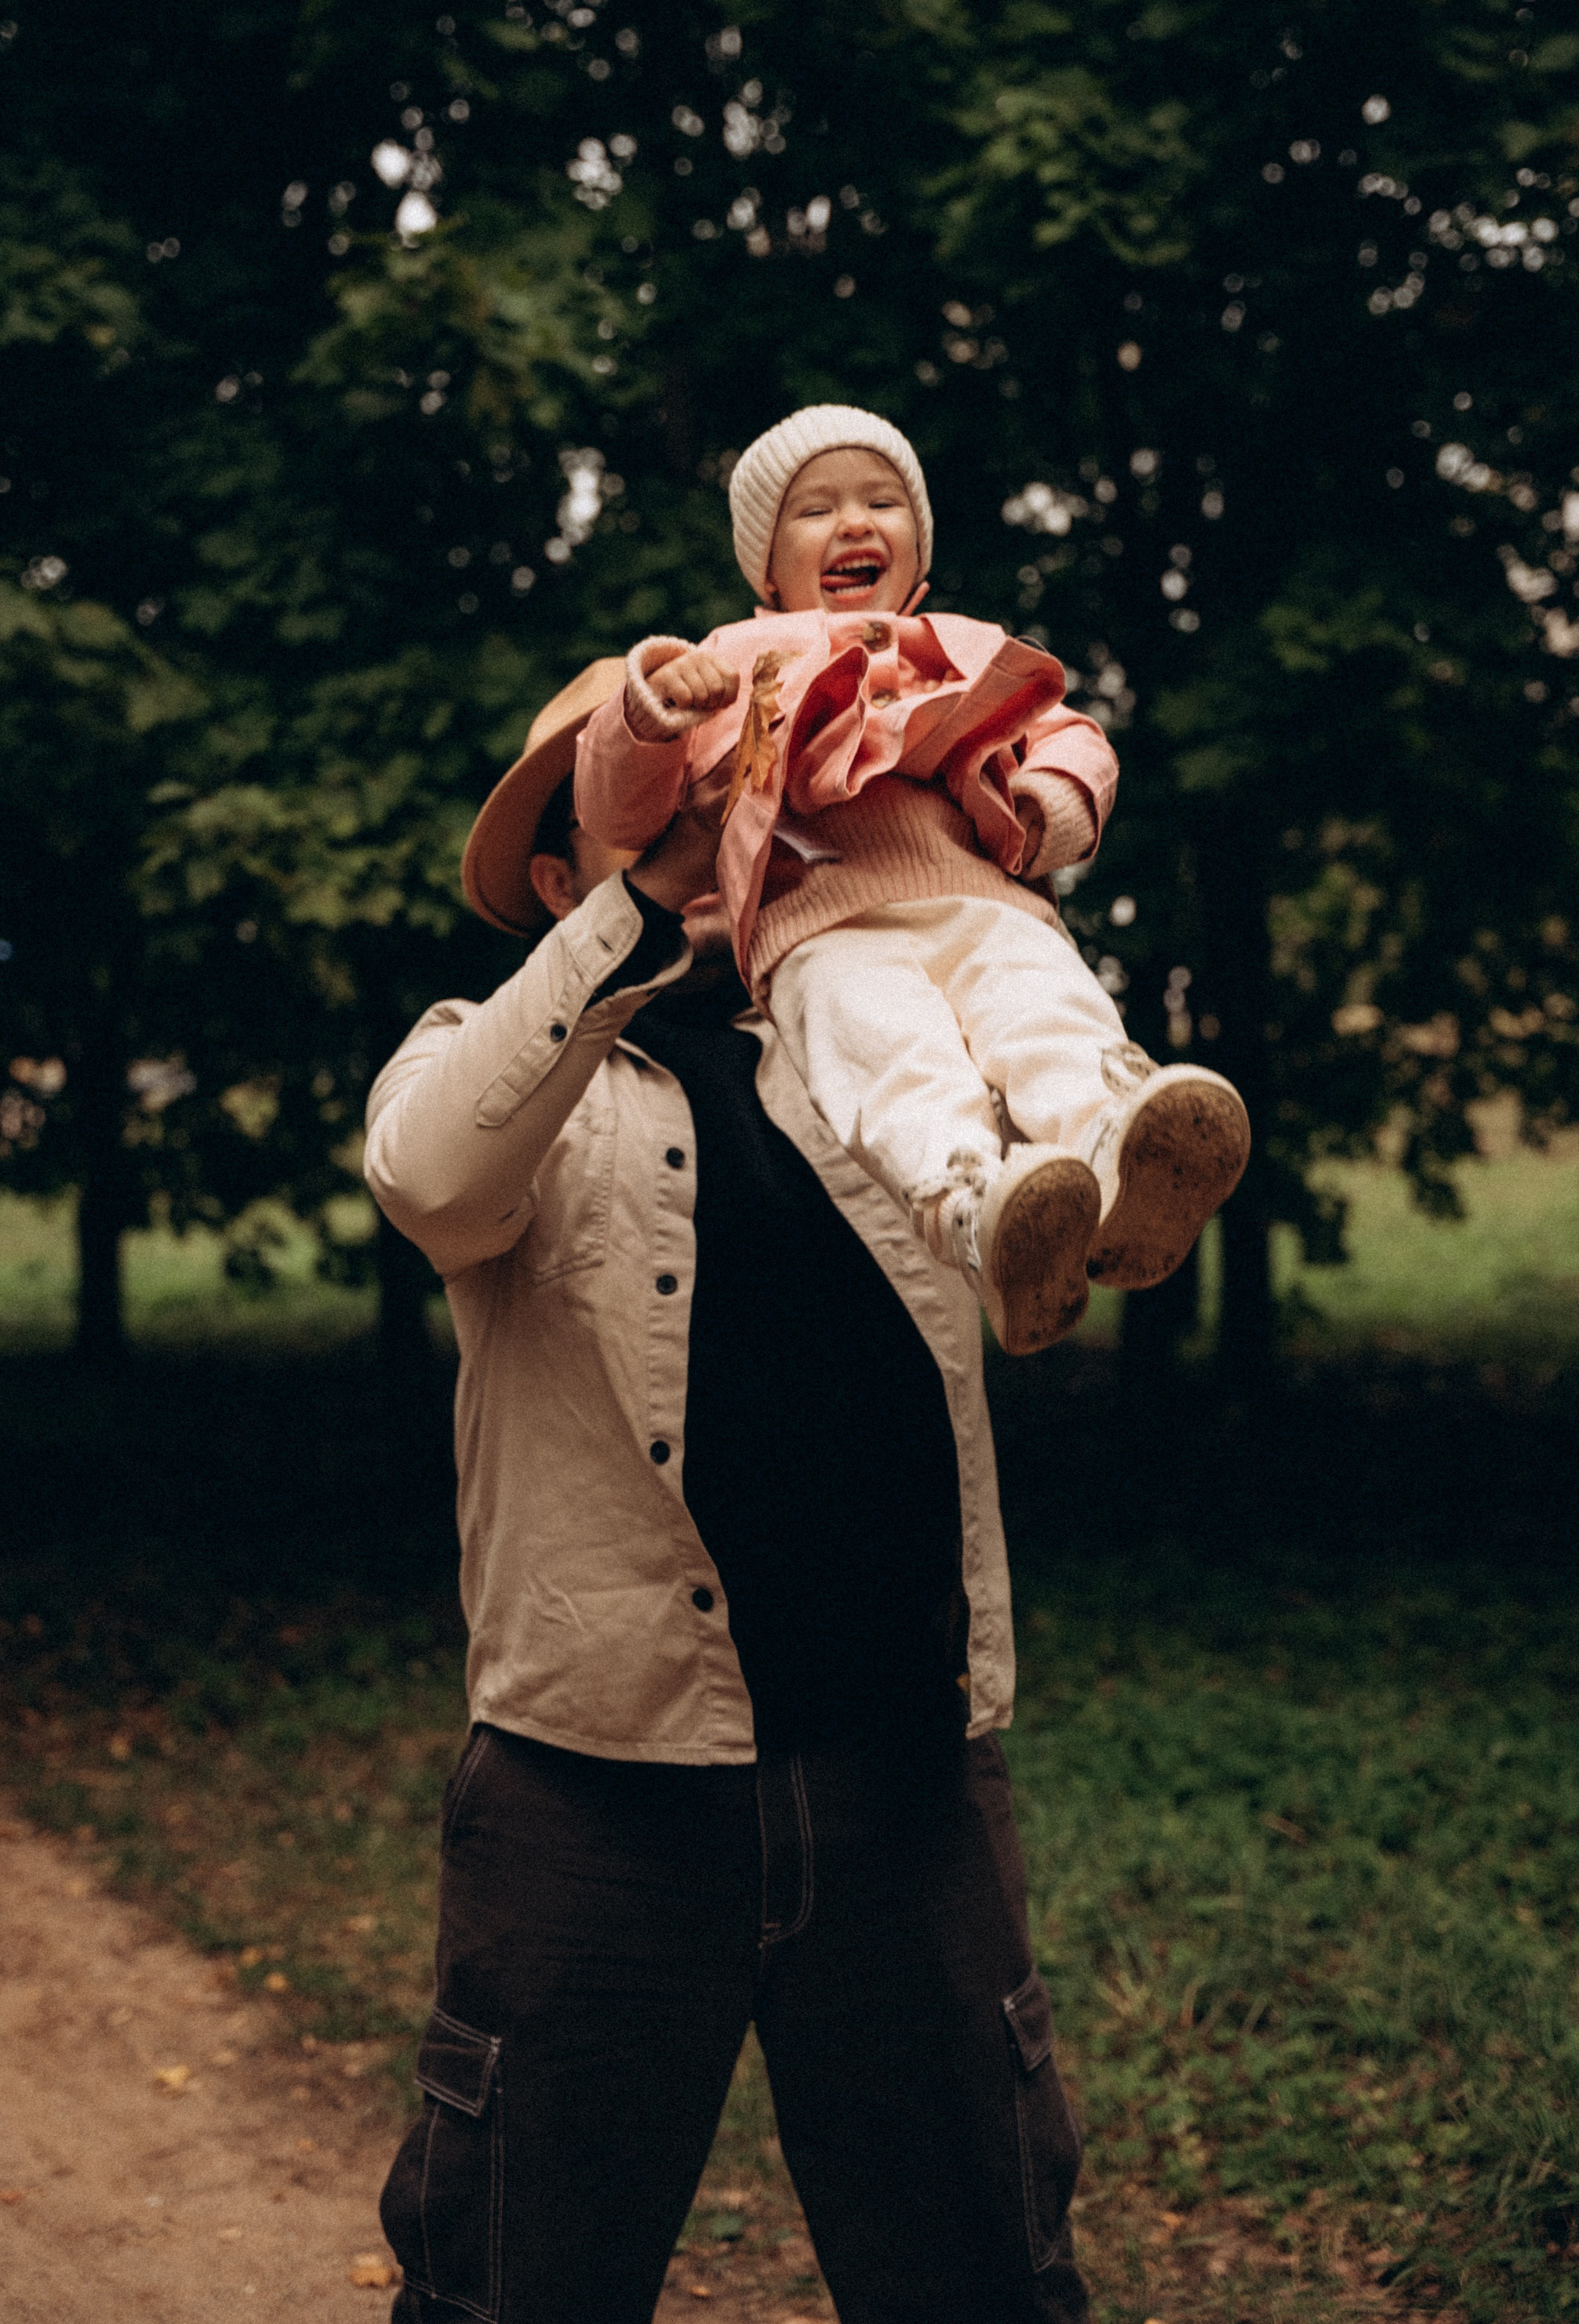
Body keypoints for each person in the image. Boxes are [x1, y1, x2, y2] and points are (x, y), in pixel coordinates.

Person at [364, 655, 1092, 2322]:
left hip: (906, 1774)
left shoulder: (880, 1047)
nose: (717, 814)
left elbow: (1033, 1130)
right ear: (564, 880)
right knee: (512, 2280)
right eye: (659, 802)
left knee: (984, 2269)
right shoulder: (492, 1058)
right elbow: (427, 1176)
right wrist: (648, 902)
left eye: (734, 786)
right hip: (598, 1790)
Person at [575, 405, 1250, 1354]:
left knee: (1045, 1006)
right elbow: (616, 813)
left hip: (983, 896)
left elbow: (1071, 736)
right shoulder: (727, 662)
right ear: (764, 572)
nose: (855, 522)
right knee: (891, 1057)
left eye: (882, 501)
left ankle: (1120, 1146)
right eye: (815, 510)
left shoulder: (959, 646)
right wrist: (645, 711)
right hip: (823, 924)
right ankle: (982, 1205)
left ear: (919, 557)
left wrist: (1050, 802)